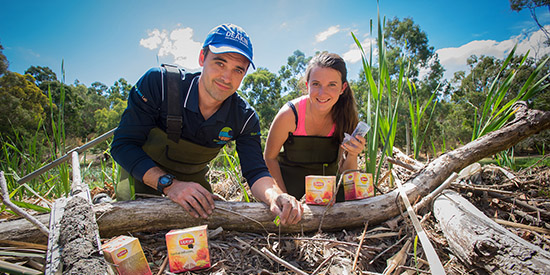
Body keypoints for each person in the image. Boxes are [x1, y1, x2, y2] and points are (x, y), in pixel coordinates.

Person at [111, 24, 302, 225]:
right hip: (141, 176)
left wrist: (275, 196)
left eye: (238, 70)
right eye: (220, 63)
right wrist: (171, 185)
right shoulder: (160, 84)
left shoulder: (244, 118)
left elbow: (255, 171)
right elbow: (123, 145)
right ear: (202, 58)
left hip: (193, 185)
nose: (226, 78)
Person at [264, 52, 366, 201]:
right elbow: (269, 157)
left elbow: (345, 171)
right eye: (316, 84)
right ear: (307, 85)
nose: (322, 93)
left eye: (332, 85)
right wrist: (282, 197)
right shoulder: (289, 114)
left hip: (327, 197)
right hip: (289, 192)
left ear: (343, 88)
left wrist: (353, 153)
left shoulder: (346, 117)